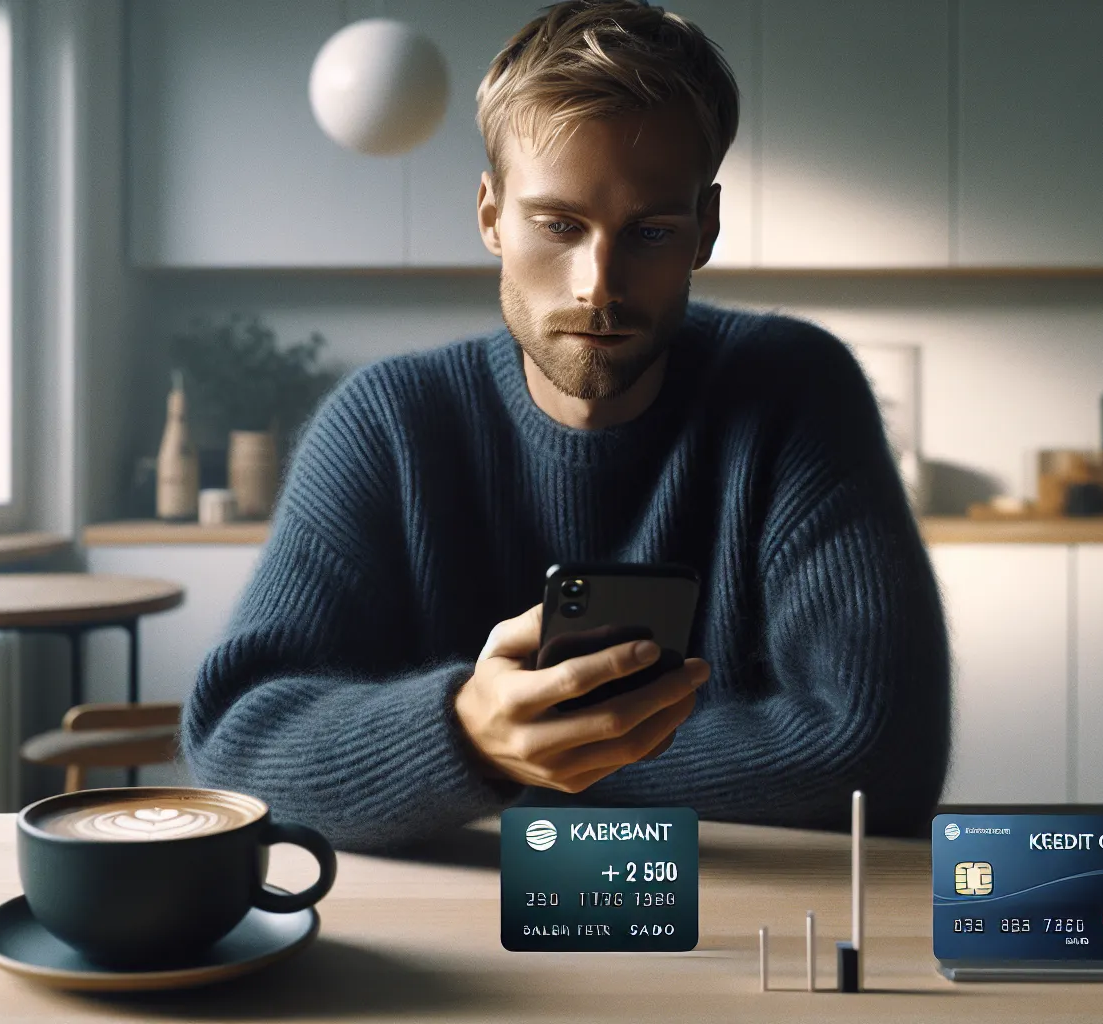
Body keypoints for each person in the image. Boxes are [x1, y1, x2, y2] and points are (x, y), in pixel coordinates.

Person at [180, 0, 950, 852]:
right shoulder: (387, 424)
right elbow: (233, 746)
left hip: (725, 934)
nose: (598, 284)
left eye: (650, 231)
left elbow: (879, 754)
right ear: (490, 216)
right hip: (456, 946)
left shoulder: (795, 390)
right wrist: (466, 730)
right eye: (558, 225)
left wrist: (523, 755)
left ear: (706, 230)